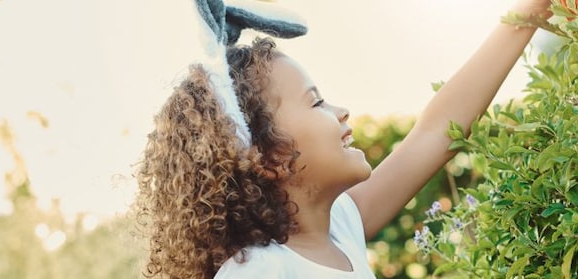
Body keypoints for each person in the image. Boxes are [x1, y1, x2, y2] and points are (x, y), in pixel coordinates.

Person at [135, 0, 553, 278]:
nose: (341, 112)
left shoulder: (340, 230)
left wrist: (532, 10)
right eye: (316, 103)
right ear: (266, 155)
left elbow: (435, 131)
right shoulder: (258, 271)